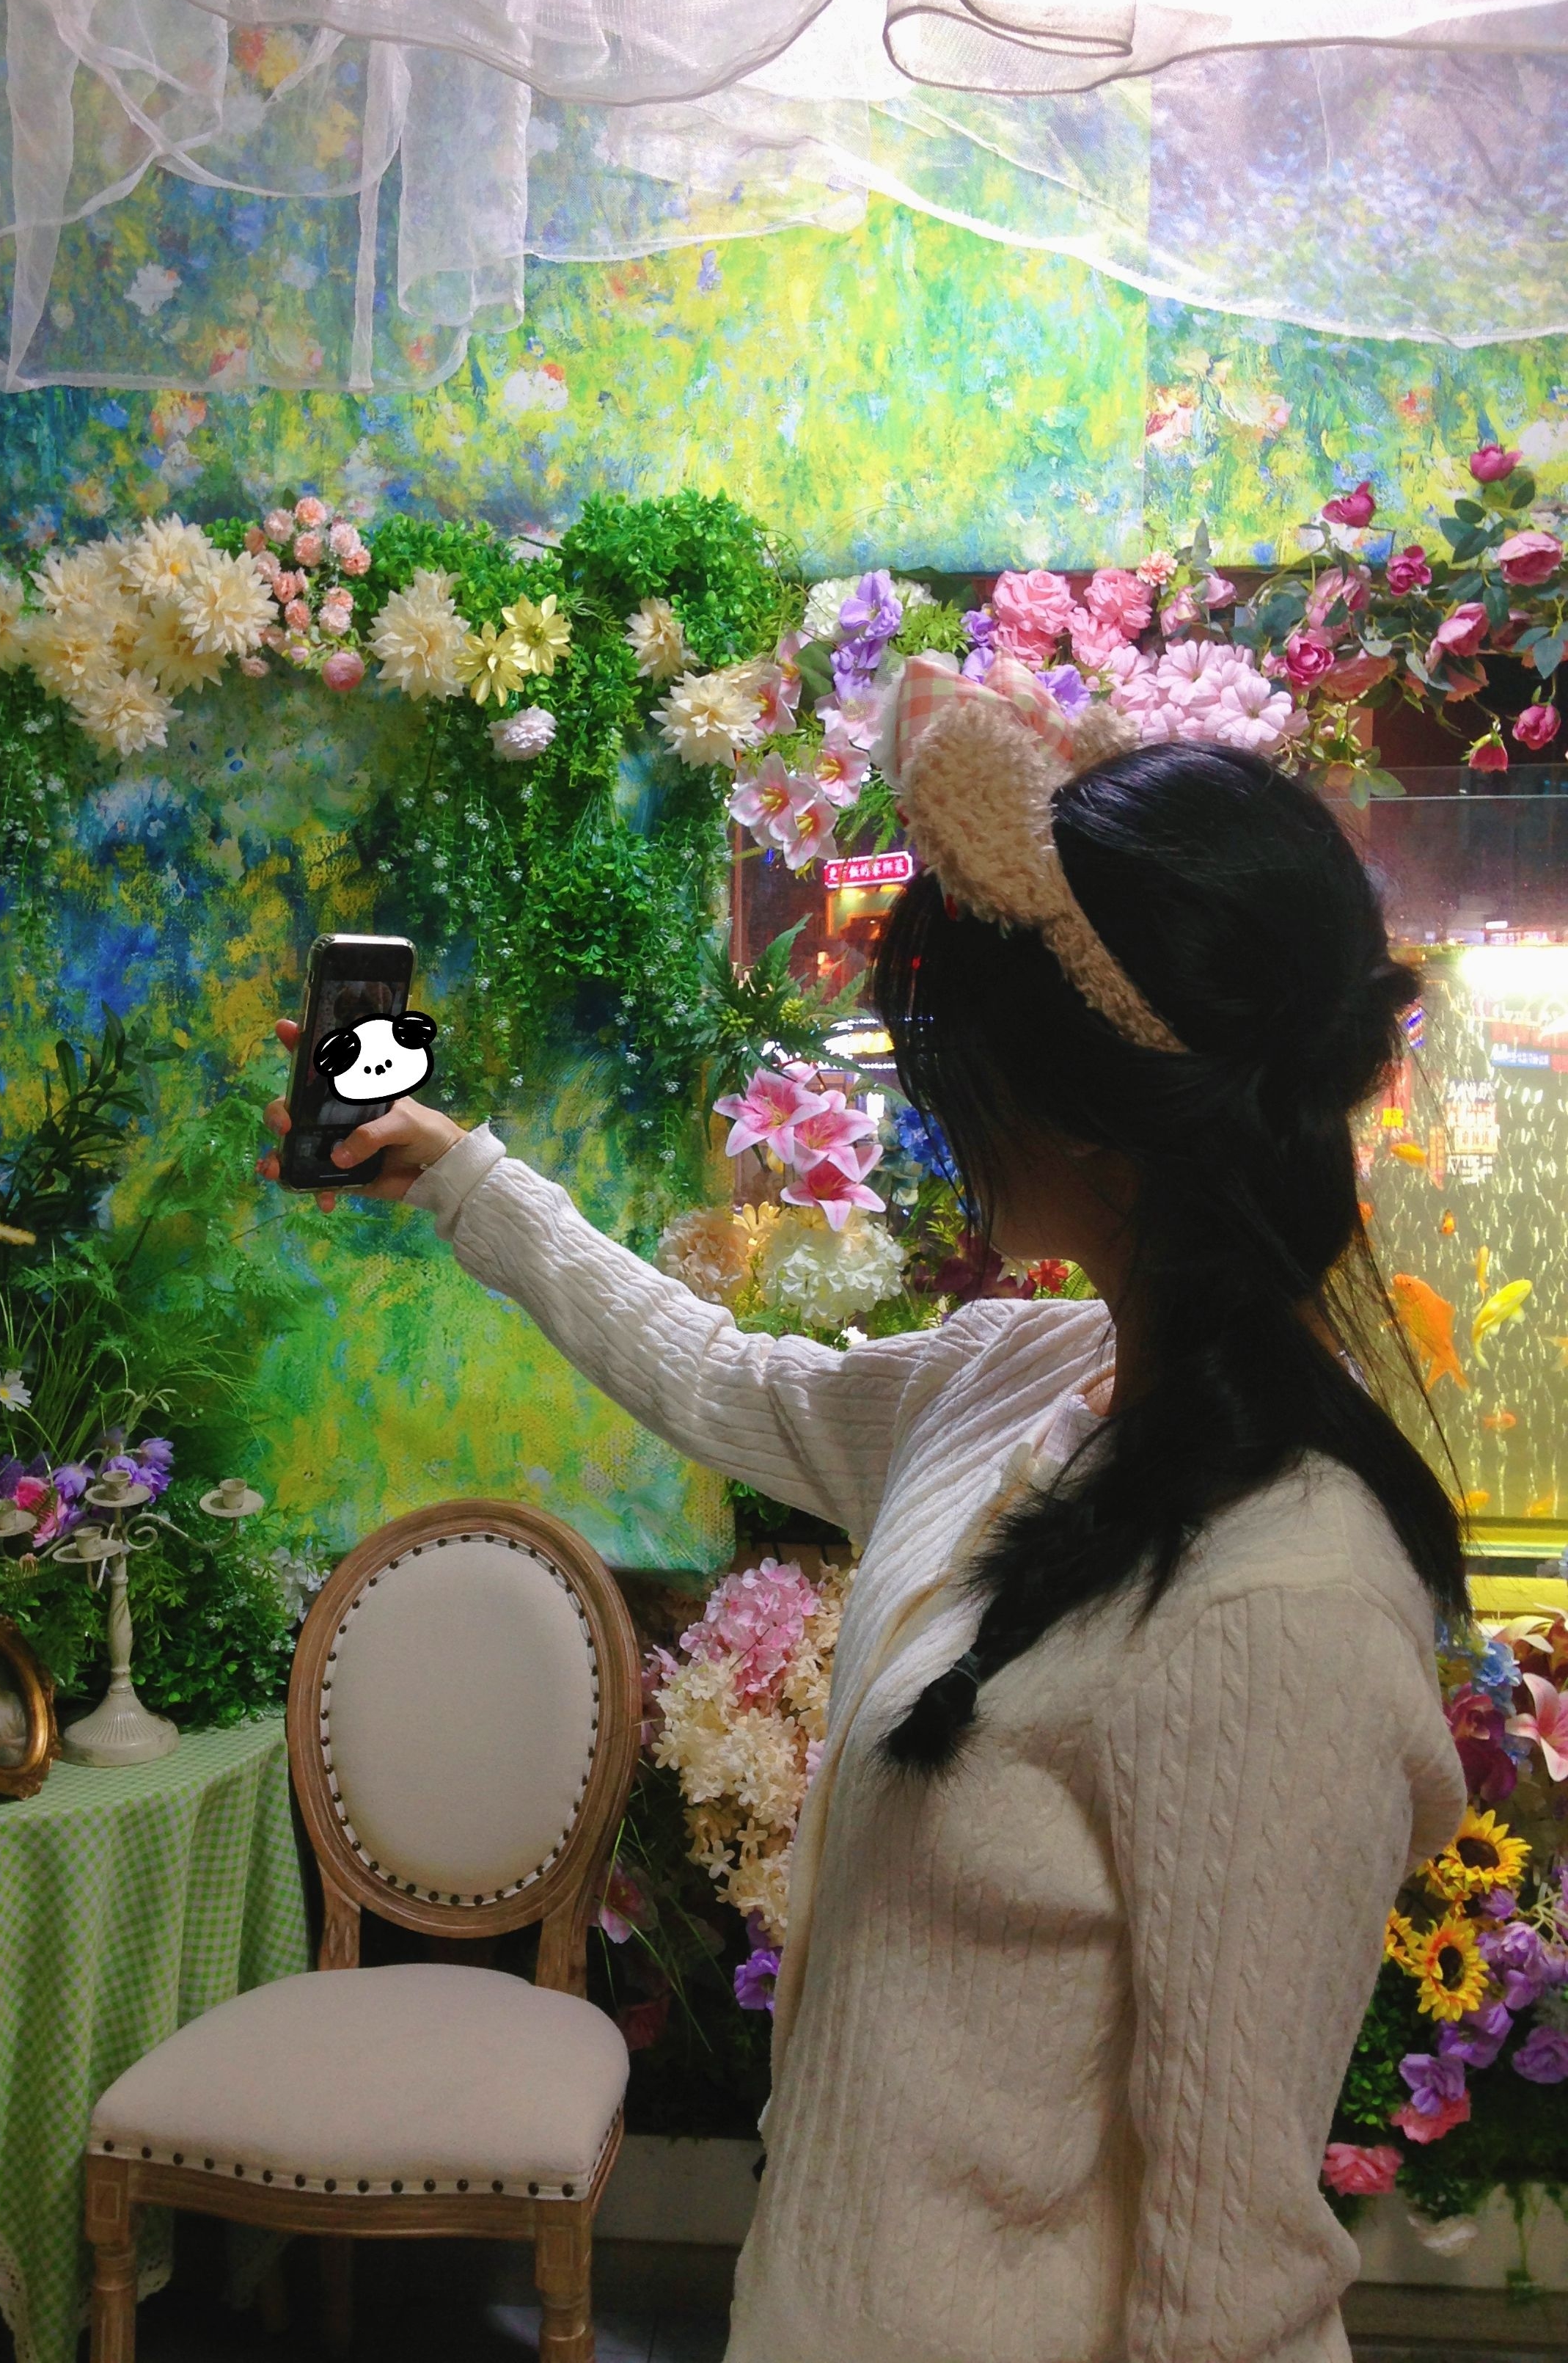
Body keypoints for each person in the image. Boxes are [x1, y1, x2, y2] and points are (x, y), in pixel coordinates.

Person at [260, 660, 1468, 2363]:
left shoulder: (1282, 1602)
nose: (933, 1101)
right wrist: (458, 1172)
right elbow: (726, 1380)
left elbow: (1236, 2290)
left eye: (958, 1056)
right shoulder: (1019, 1382)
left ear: (1098, 1120)